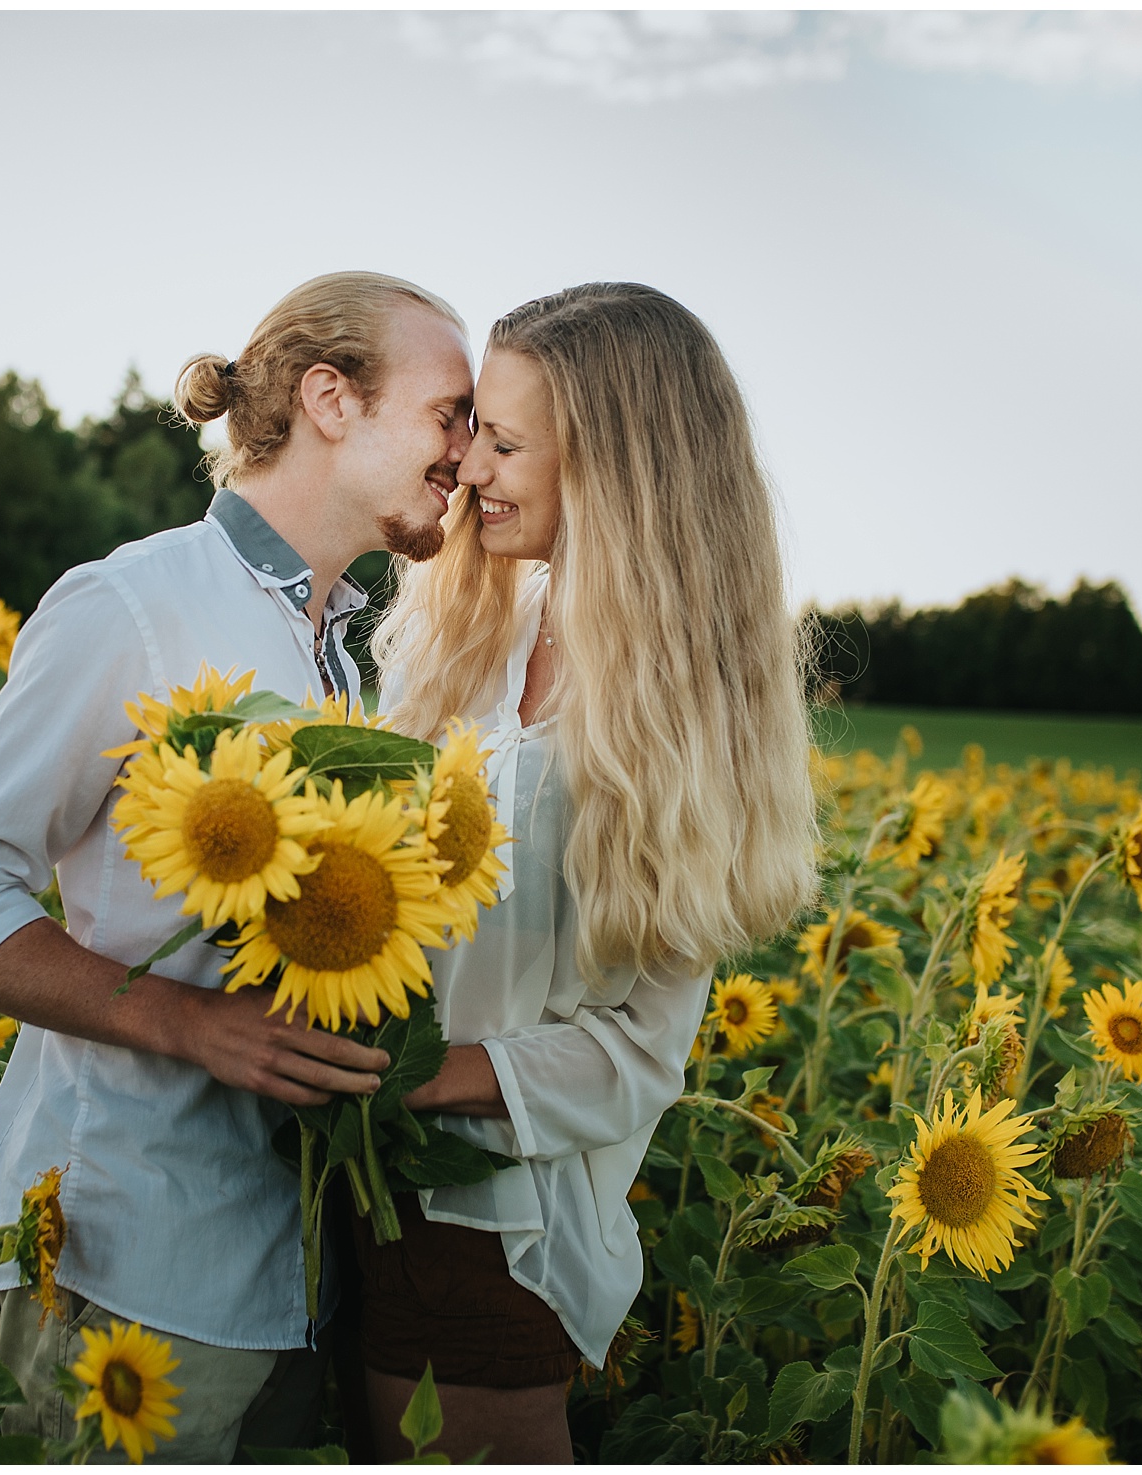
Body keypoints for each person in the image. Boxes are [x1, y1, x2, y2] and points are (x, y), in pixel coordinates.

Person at [0, 271, 475, 1462]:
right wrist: (186, 1019)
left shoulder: (348, 660)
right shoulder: (133, 605)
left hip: (291, 1272)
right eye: (448, 412)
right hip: (128, 1256)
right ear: (330, 398)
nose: (466, 454)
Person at [364, 282, 821, 1462]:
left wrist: (399, 1080)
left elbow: (633, 1055)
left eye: (506, 442)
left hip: (494, 1228)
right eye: (473, 434)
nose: (468, 470)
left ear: (620, 467)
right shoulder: (467, 629)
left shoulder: (677, 718)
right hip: (345, 1190)